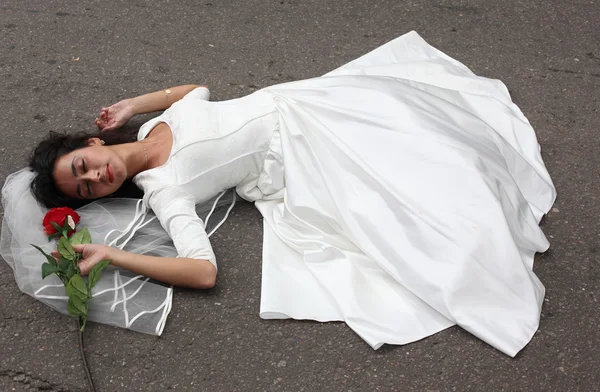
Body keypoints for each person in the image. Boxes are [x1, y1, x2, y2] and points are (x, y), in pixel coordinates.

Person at [1, 31, 556, 356]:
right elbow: (203, 271)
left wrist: (134, 104)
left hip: (304, 102)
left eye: (84, 165)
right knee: (430, 187)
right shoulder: (166, 189)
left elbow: (197, 91)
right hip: (308, 153)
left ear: (93, 141)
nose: (96, 177)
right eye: (87, 189)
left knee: (428, 119)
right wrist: (114, 254)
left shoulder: (150, 128)